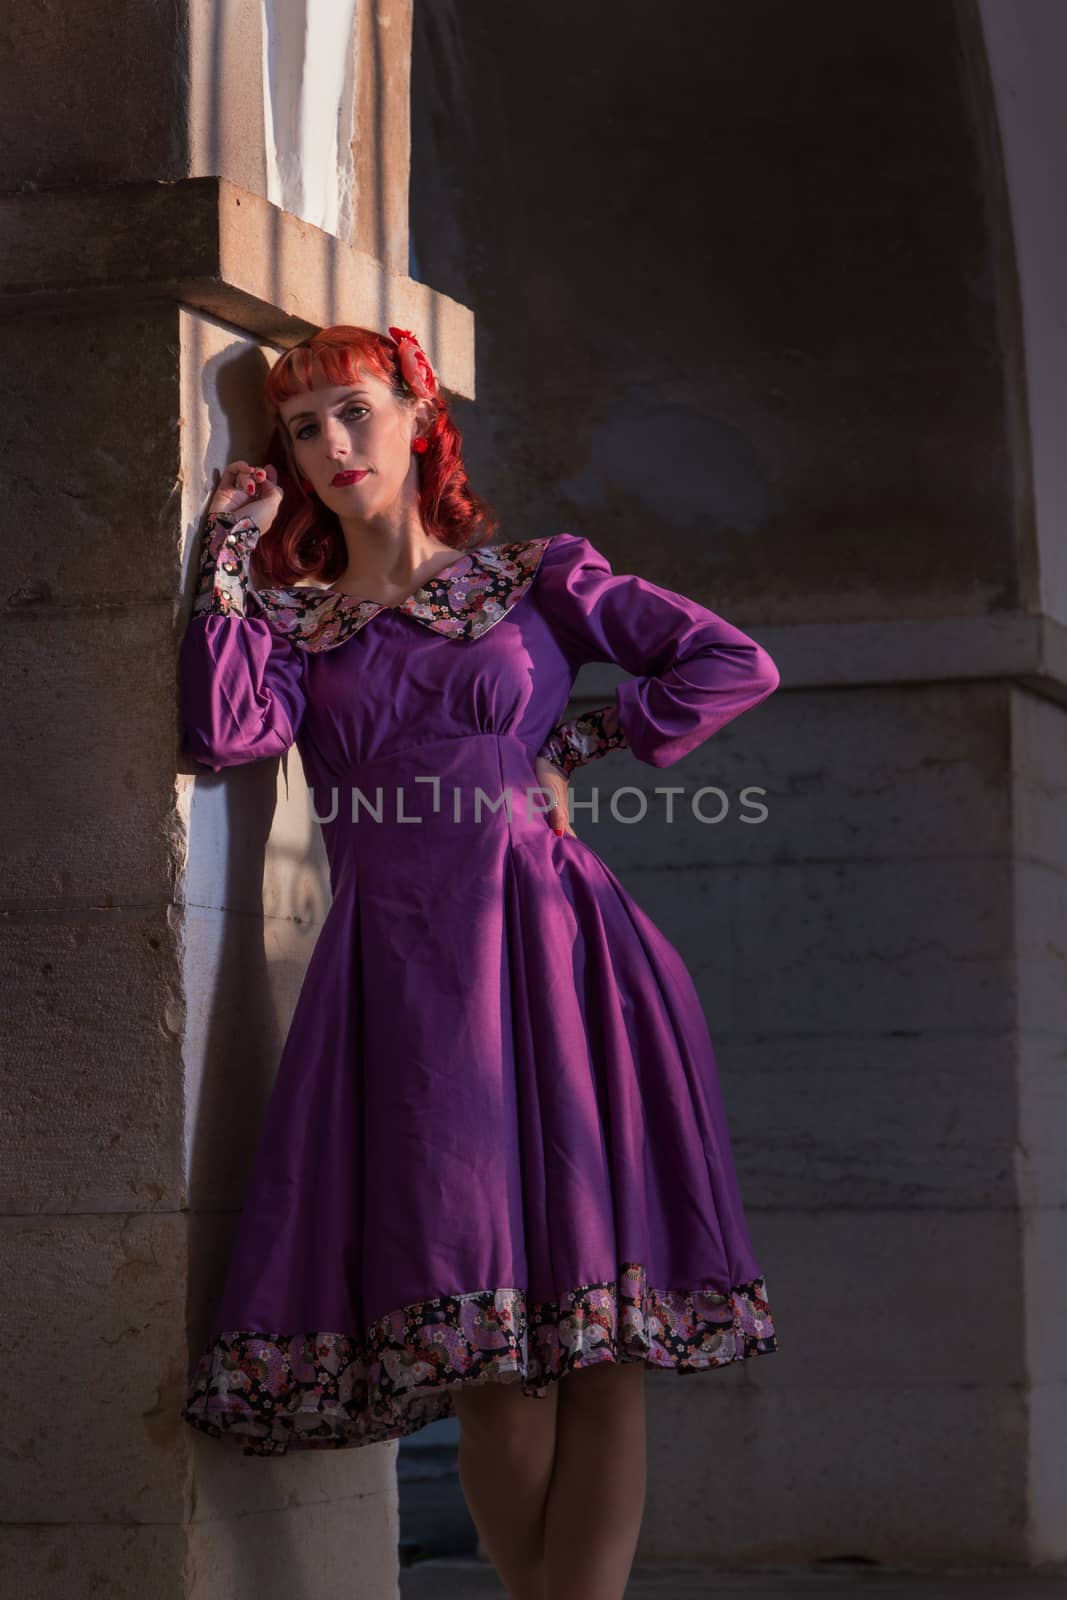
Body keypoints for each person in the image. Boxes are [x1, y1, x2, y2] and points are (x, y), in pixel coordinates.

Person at [179, 323, 780, 1600]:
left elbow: (732, 661)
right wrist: (228, 552)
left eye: (353, 411)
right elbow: (226, 727)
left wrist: (582, 737)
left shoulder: (534, 579)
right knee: (491, 1350)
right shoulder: (301, 622)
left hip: (567, 960)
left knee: (601, 1348)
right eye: (300, 428)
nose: (332, 446)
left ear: (415, 413)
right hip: (402, 980)